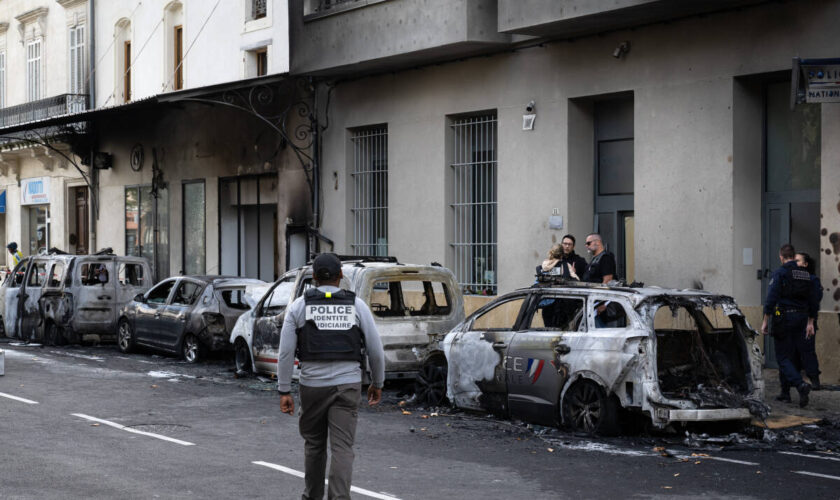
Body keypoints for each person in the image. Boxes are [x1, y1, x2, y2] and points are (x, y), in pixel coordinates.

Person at [277, 253, 385, 500]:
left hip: (312, 386)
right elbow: (376, 350)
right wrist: (377, 383)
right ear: (341, 277)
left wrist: (284, 391)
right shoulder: (357, 306)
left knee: (314, 445)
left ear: (313, 277)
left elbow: (285, 353)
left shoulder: (298, 307)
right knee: (342, 448)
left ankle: (312, 496)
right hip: (347, 385)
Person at [760, 244, 816, 407]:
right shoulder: (805, 274)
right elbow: (812, 300)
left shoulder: (781, 273)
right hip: (803, 318)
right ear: (793, 256)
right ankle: (785, 393)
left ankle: (800, 385)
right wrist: (810, 322)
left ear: (781, 257)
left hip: (784, 317)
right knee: (791, 357)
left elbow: (771, 299)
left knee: (782, 357)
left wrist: (765, 321)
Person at [795, 252, 822, 390]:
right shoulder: (792, 279)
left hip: (807, 319)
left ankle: (814, 379)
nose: (795, 263)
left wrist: (811, 321)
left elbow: (815, 300)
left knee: (807, 350)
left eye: (798, 260)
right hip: (795, 319)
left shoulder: (812, 280)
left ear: (805, 264)